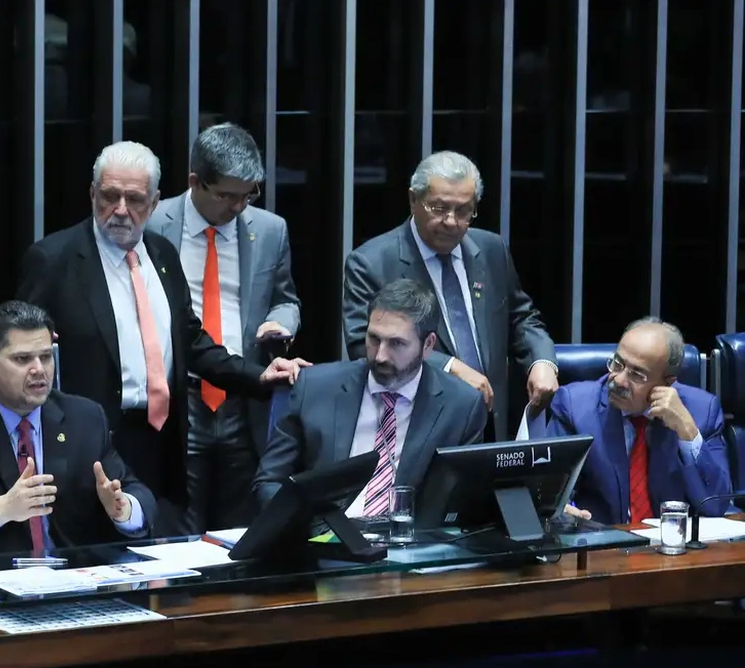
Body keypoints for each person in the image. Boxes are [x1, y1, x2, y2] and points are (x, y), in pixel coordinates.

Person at [16, 140, 308, 535]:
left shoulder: (163, 255)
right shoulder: (55, 259)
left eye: (134, 199)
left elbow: (189, 340)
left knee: (163, 563)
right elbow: (22, 350)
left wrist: (255, 376)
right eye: (109, 196)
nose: (120, 210)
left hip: (162, 441)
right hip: (91, 445)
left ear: (153, 204)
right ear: (91, 194)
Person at [0, 301, 159, 558]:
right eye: (22, 359)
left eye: (46, 356)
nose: (39, 369)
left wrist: (123, 509)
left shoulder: (84, 417)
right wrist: (2, 509)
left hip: (69, 583)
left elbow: (139, 495)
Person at [144, 123, 301, 533]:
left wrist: (280, 322)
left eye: (248, 194)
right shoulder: (153, 223)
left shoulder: (269, 229)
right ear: (196, 181)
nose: (239, 206)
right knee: (180, 522)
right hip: (181, 394)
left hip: (246, 393)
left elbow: (286, 298)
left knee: (241, 524)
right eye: (227, 195)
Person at [342, 151, 557, 441]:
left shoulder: (492, 249)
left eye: (464, 211)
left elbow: (522, 317)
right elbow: (362, 344)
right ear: (413, 200)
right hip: (423, 428)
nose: (451, 222)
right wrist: (449, 368)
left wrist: (542, 361)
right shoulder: (372, 263)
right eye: (439, 208)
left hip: (494, 426)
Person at [255, 280, 487, 512]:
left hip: (408, 541)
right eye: (374, 339)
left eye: (396, 343)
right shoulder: (314, 388)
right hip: (322, 538)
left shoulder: (461, 407)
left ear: (428, 345)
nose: (380, 356)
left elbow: (461, 507)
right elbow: (269, 482)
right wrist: (307, 524)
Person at [547, 318, 732, 525]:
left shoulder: (702, 411)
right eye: (618, 363)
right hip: (603, 548)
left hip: (673, 548)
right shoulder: (574, 407)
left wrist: (688, 432)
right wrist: (564, 510)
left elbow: (716, 505)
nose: (618, 380)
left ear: (667, 383)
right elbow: (550, 493)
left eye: (637, 374)